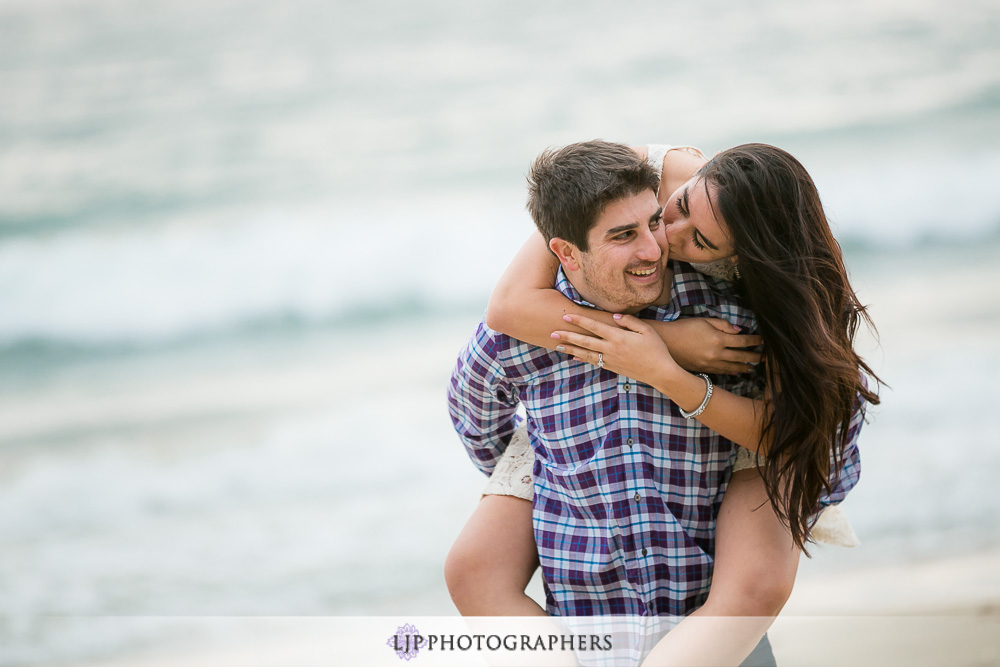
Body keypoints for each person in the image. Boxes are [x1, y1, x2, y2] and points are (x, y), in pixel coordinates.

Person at [446, 141, 878, 666]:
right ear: (565, 252)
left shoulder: (740, 318)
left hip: (714, 636)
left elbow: (820, 435)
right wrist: (540, 468)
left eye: (690, 235)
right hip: (587, 638)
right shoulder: (531, 326)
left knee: (756, 579)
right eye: (630, 233)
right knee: (470, 566)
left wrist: (671, 374)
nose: (661, 244)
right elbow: (475, 405)